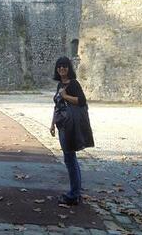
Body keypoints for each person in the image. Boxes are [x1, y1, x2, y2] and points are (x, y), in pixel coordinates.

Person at [51, 56, 94, 206]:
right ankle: (75, 192)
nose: (62, 68)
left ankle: (74, 194)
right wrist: (52, 124)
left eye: (65, 66)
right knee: (69, 158)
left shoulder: (74, 84)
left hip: (71, 125)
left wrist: (66, 96)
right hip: (62, 125)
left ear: (69, 68)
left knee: (70, 158)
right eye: (59, 66)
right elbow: (57, 105)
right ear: (57, 69)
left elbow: (82, 101)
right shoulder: (59, 85)